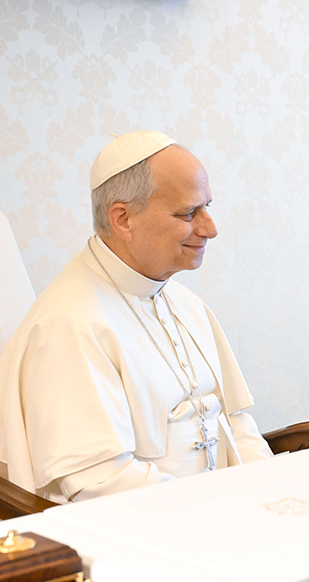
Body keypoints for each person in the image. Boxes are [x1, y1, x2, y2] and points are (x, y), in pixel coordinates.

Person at [0, 131, 272, 502]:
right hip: (145, 533)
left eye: (208, 207)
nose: (210, 228)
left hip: (222, 516)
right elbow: (99, 480)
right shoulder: (70, 324)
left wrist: (273, 495)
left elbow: (234, 424)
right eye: (190, 212)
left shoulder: (185, 303)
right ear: (123, 219)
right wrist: (213, 513)